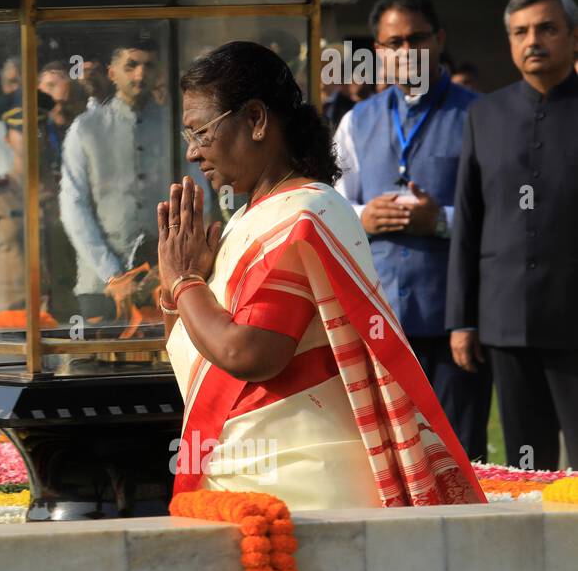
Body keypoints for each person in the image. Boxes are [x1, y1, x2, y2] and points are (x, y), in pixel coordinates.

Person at [159, 41, 485, 510]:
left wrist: (185, 282)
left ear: (255, 119)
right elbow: (197, 359)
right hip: (240, 480)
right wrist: (176, 293)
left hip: (303, 491)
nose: (192, 153)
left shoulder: (310, 211)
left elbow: (249, 352)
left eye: (201, 133)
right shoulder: (246, 220)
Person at [333, 0, 491, 461]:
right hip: (381, 319)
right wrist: (362, 216)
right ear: (378, 51)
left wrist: (439, 221)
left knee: (463, 457)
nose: (405, 52)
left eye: (416, 39)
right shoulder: (355, 121)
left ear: (439, 39)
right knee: (389, 460)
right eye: (393, 42)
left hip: (455, 320)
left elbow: (507, 214)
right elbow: (329, 204)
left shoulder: (481, 115)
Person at [448, 0, 578, 472]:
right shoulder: (485, 114)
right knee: (528, 469)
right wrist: (462, 319)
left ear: (573, 36)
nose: (533, 40)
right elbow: (468, 220)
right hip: (507, 320)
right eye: (521, 31)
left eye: (547, 28)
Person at [59, 40, 172, 323]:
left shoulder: (175, 126)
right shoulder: (85, 128)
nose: (140, 75)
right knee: (93, 363)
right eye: (131, 65)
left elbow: (198, 199)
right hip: (100, 284)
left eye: (148, 66)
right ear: (112, 73)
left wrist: (169, 266)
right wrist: (111, 273)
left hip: (166, 281)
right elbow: (73, 206)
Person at [0, 105, 67, 328]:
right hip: (7, 313)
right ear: (7, 139)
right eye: (21, 130)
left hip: (59, 314)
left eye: (37, 129)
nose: (30, 137)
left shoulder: (65, 191)